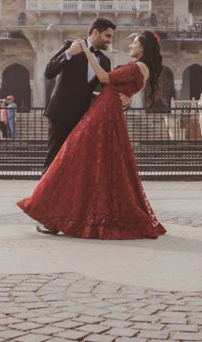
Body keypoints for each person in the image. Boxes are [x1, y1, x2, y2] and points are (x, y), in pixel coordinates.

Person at [18, 31, 167, 240]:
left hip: (103, 117)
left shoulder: (140, 66)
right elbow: (111, 90)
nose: (131, 45)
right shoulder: (137, 66)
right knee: (87, 165)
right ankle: (64, 214)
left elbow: (104, 78)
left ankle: (56, 215)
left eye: (135, 42)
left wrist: (87, 52)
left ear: (144, 47)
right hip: (103, 111)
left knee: (71, 160)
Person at [41, 18, 114, 170]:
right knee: (54, 161)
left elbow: (107, 90)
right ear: (95, 32)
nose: (110, 40)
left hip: (83, 118)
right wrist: (68, 53)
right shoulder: (70, 45)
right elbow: (49, 72)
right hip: (61, 114)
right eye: (107, 36)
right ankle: (44, 194)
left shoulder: (105, 61)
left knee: (78, 164)